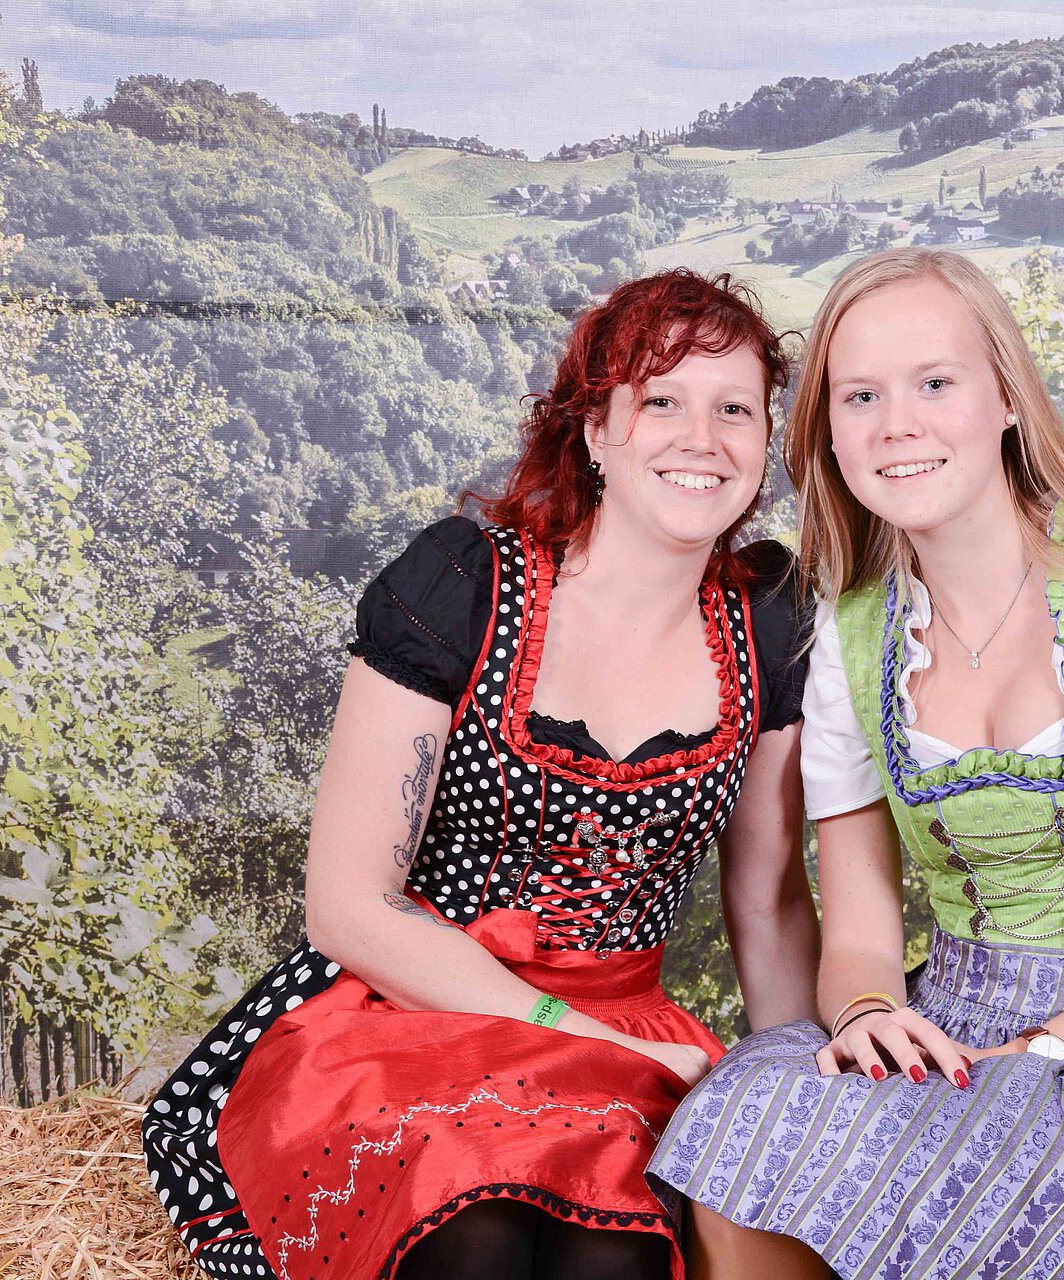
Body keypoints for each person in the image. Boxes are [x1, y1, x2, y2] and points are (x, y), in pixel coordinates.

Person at [649, 248, 1064, 1279]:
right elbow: (861, 930)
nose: (895, 424)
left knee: (1004, 1154)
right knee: (739, 1115)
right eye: (860, 396)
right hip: (947, 1020)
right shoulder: (852, 637)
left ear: (1006, 396)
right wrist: (870, 1013)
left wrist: (1046, 1049)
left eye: (934, 383)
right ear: (829, 433)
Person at [142, 269, 820, 1280]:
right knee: (476, 1241)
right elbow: (349, 909)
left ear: (765, 440)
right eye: (661, 401)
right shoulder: (465, 586)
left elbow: (767, 903)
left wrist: (801, 1097)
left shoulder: (766, 619)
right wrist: (573, 1029)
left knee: (611, 1260)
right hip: (412, 1010)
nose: (702, 438)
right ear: (594, 430)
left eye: (735, 409)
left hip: (628, 1036)